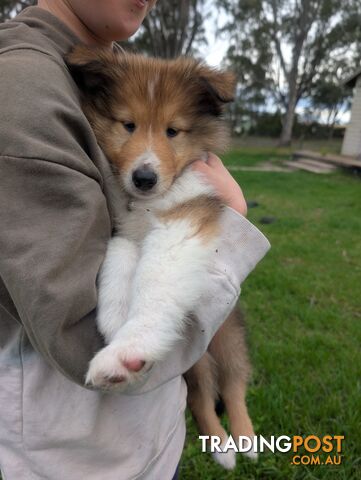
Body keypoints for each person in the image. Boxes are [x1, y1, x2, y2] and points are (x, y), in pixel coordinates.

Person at [0, 1, 270, 479]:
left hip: (137, 440)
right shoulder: (23, 87)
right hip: (70, 458)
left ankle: (229, 411)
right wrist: (231, 226)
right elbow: (84, 340)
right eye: (128, 126)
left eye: (171, 131)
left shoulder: (101, 64)